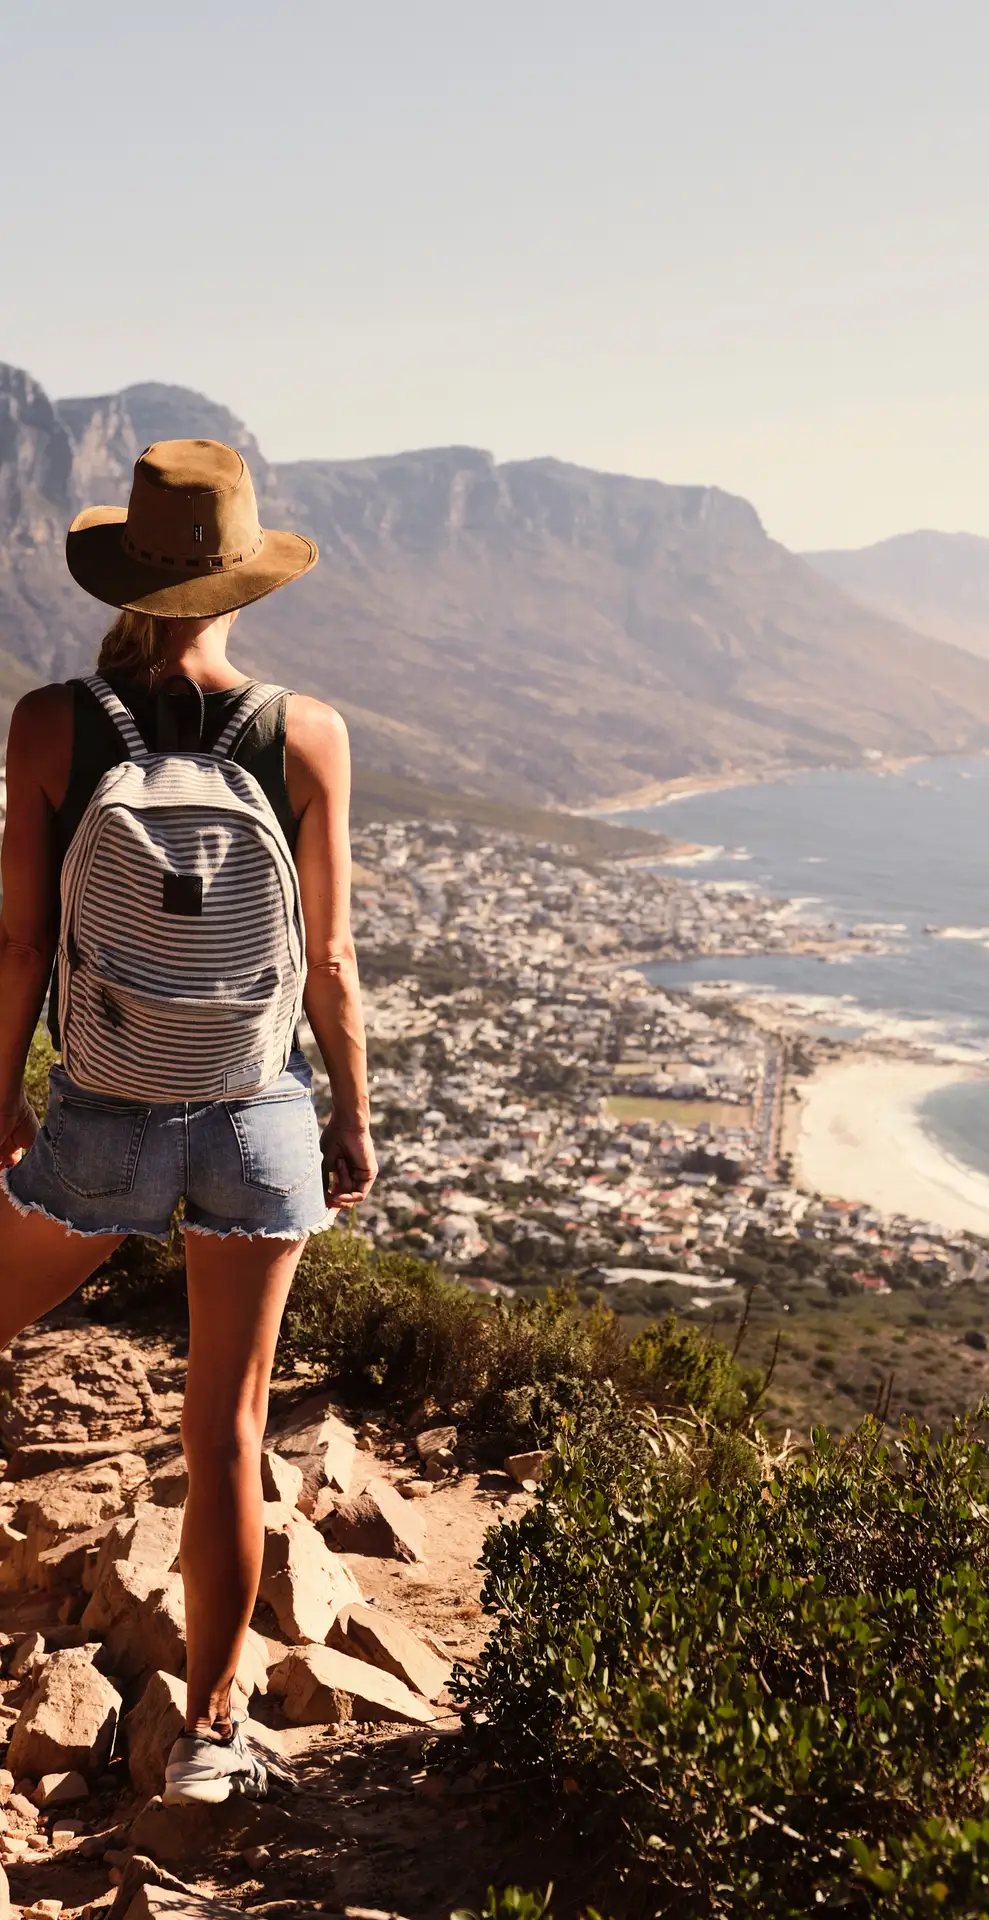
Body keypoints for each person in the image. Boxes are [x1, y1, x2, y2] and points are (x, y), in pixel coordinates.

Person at [0, 439, 377, 1804]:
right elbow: (328, 964)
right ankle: (212, 1739)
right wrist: (350, 1117)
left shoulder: (51, 722)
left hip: (102, 1110)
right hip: (254, 1113)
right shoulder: (309, 734)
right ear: (241, 583)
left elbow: (17, 945)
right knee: (223, 1424)